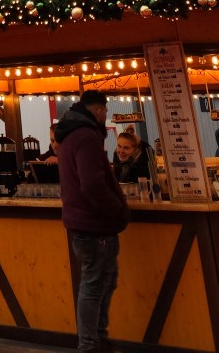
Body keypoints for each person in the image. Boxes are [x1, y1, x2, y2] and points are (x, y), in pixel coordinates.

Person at [56, 91, 129, 353]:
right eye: (106, 111)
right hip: (95, 224)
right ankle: (90, 343)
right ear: (98, 110)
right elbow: (92, 184)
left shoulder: (70, 136)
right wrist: (116, 210)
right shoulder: (87, 137)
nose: (106, 115)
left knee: (101, 282)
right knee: (95, 285)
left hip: (82, 223)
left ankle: (96, 339)